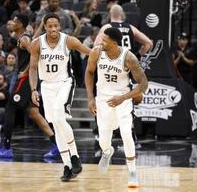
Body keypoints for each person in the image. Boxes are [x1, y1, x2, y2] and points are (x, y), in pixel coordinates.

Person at [29, 13, 90, 181]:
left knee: (59, 118)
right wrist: (34, 89)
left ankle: (75, 157)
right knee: (55, 124)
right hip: (46, 86)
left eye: (56, 25)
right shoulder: (37, 44)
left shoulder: (68, 41)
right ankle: (67, 166)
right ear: (45, 27)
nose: (54, 29)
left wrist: (105, 53)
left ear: (60, 26)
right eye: (50, 26)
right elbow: (33, 68)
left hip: (65, 83)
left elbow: (89, 52)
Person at [0, 14, 59, 159]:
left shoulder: (24, 39)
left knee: (10, 108)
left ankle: (6, 148)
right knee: (34, 113)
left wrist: (25, 72)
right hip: (29, 79)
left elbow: (36, 55)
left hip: (25, 80)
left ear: (20, 24)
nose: (11, 23)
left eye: (14, 21)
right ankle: (57, 145)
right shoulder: (25, 37)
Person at [85, 27, 148, 188]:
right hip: (103, 100)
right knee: (104, 140)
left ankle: (132, 172)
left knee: (126, 133)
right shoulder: (96, 53)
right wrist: (90, 98)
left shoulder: (129, 57)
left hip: (123, 99)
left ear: (113, 42)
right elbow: (89, 72)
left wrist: (123, 98)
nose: (100, 42)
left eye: (104, 40)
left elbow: (143, 84)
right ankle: (107, 152)